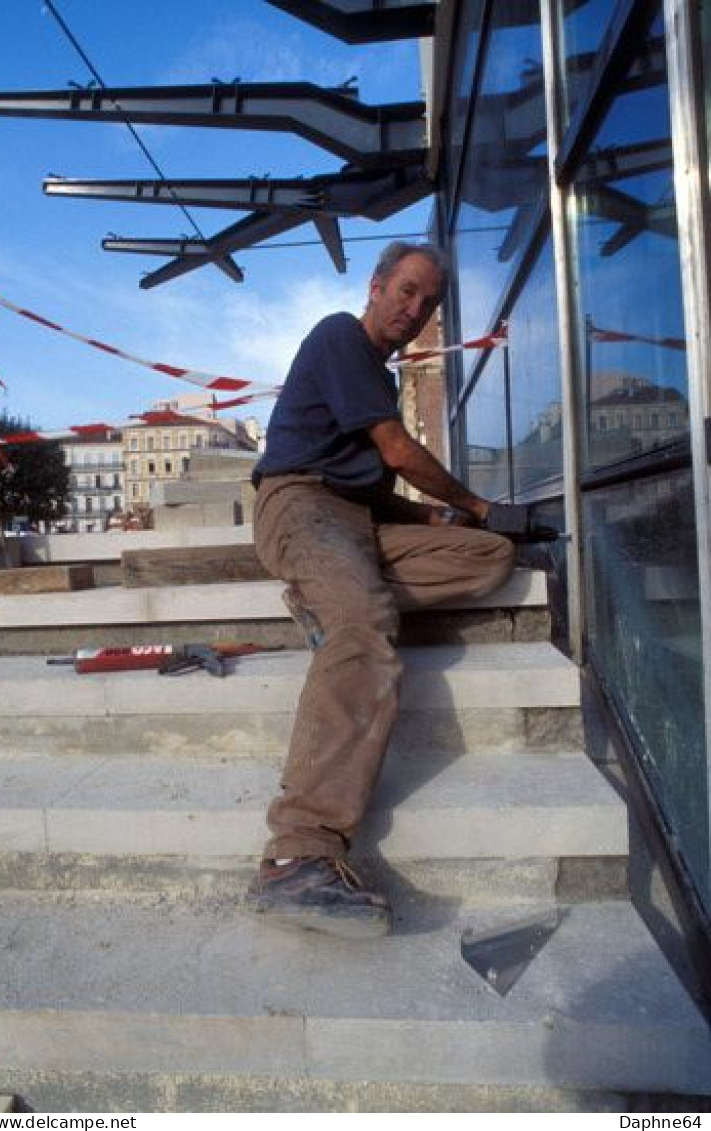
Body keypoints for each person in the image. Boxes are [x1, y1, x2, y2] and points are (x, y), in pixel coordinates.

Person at [246, 241, 524, 939]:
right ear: (376, 286)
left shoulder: (379, 377)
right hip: (300, 506)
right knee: (366, 625)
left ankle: (333, 594)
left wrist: (447, 518)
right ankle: (296, 853)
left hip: (356, 522)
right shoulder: (341, 334)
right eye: (406, 291)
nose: (415, 309)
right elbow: (396, 452)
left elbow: (375, 486)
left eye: (428, 302)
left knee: (487, 555)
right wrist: (481, 500)